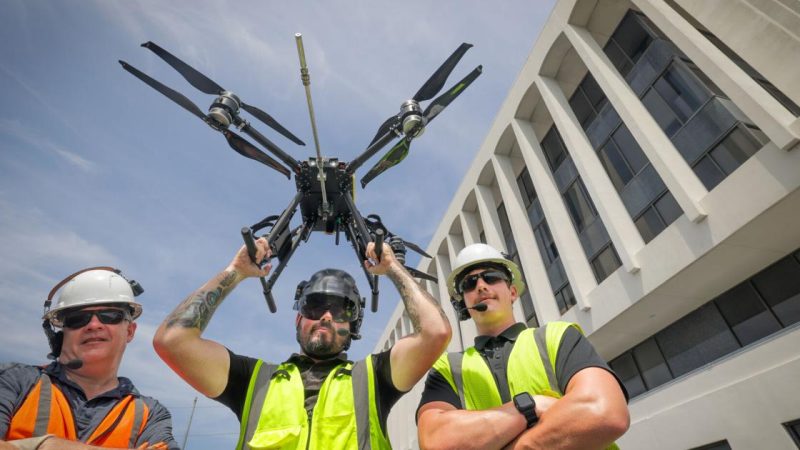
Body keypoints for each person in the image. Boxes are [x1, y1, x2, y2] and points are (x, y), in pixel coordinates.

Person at [153, 238, 451, 449]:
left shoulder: (374, 379)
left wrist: (393, 267)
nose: (326, 316)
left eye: (341, 310)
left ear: (353, 326)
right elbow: (173, 340)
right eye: (315, 305)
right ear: (298, 318)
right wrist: (236, 271)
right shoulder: (253, 381)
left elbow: (435, 332)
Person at [416, 243, 630, 450]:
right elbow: (435, 441)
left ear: (512, 292)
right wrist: (530, 407)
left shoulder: (557, 336)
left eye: (491, 277)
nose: (481, 286)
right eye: (469, 283)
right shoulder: (447, 368)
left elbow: (605, 412)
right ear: (464, 302)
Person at [0, 267, 178, 450]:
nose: (93, 325)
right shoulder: (14, 381)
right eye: (78, 319)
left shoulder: (150, 415)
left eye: (109, 316)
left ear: (130, 331)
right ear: (61, 333)